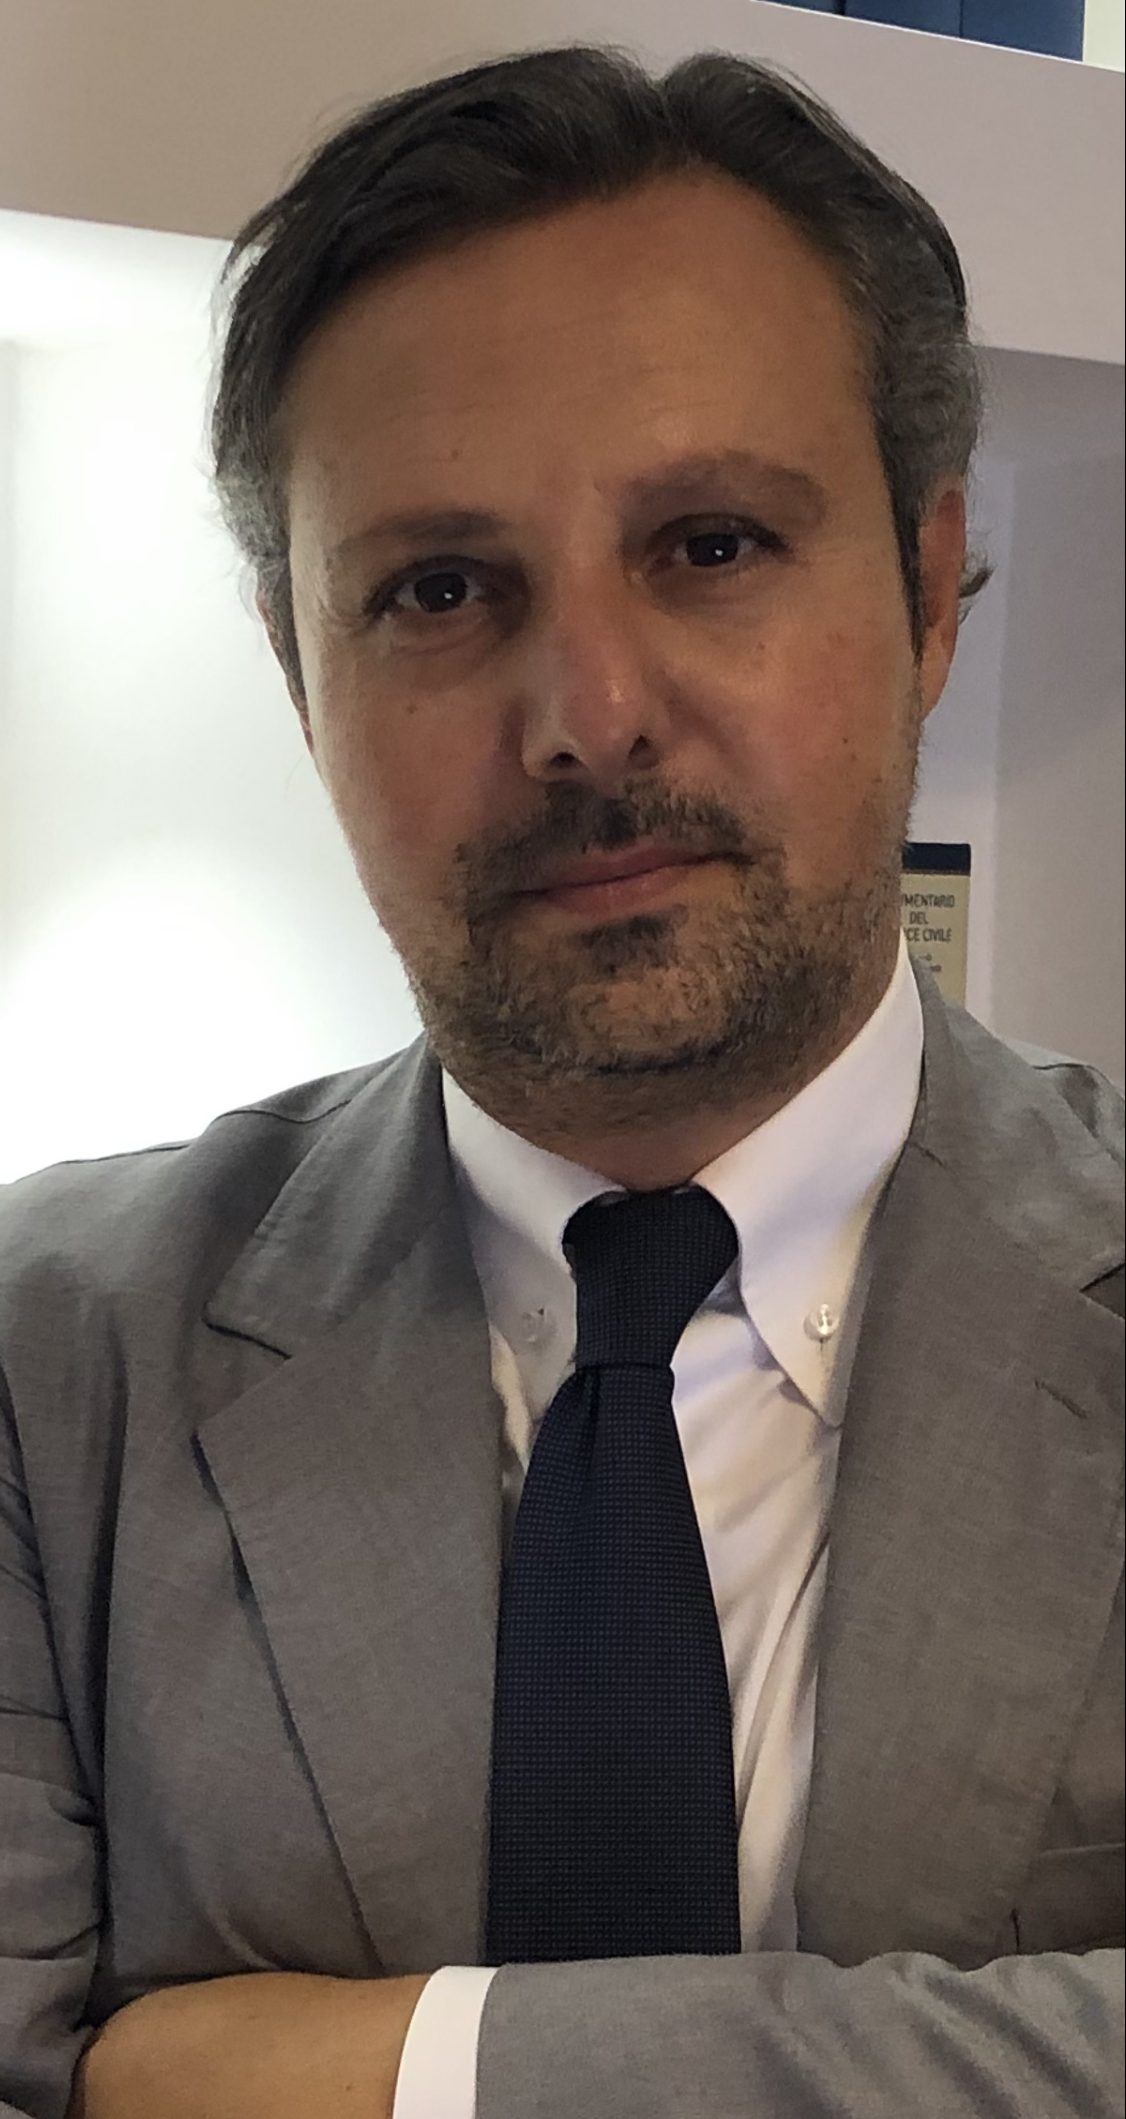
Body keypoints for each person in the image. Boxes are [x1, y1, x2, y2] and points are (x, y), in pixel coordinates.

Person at [0, 38, 1122, 2119]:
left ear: (922, 593)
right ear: (299, 671)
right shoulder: (46, 1363)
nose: (587, 714)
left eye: (709, 543)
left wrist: (416, 2068)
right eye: (438, 589)